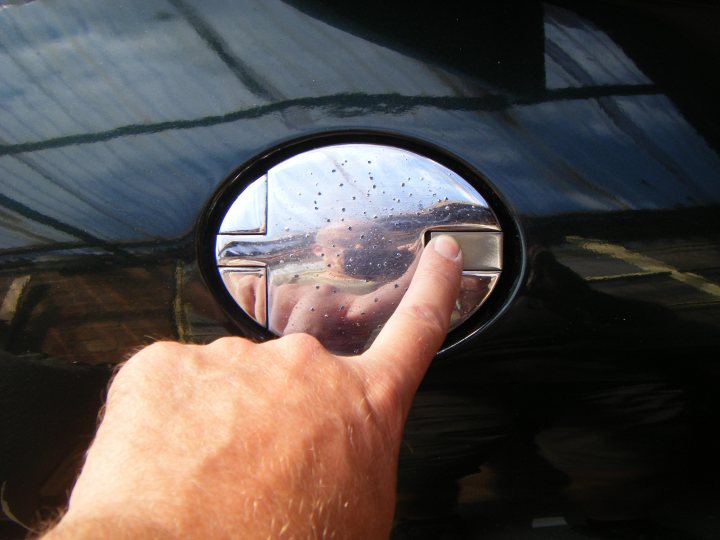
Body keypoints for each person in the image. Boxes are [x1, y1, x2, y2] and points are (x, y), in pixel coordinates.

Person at [41, 235, 463, 540]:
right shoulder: (287, 279)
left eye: (365, 243)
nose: (350, 252)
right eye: (338, 244)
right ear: (316, 249)